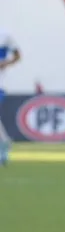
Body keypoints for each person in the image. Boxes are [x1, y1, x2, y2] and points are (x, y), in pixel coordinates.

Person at [0, 28, 21, 165]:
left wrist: (5, 63)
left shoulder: (5, 36)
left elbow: (17, 56)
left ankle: (4, 144)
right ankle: (4, 142)